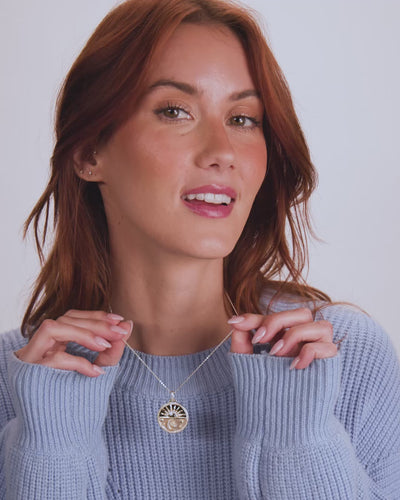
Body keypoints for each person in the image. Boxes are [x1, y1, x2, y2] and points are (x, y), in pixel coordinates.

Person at [1, 0, 399, 498]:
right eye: (175, 111)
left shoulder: (341, 358)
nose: (222, 152)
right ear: (89, 152)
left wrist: (298, 441)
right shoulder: (20, 379)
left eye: (243, 119)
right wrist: (51, 448)